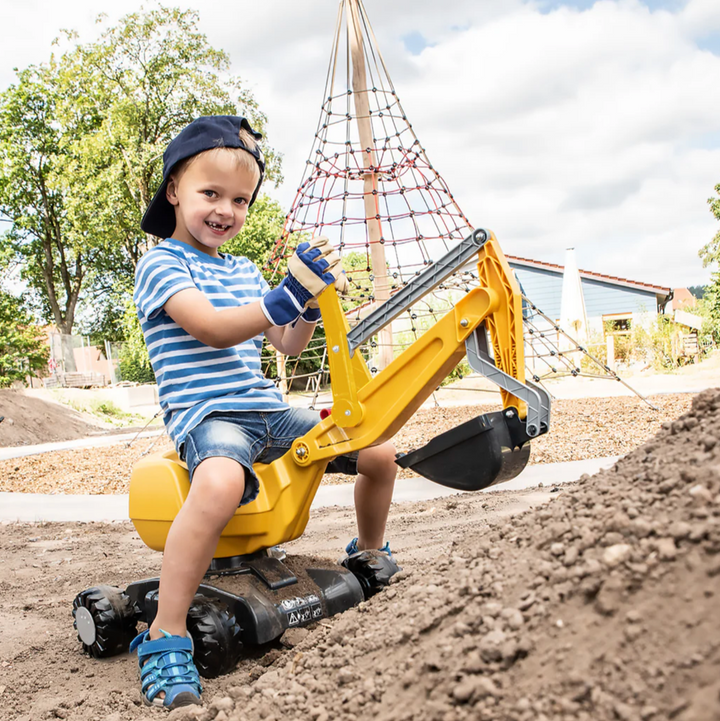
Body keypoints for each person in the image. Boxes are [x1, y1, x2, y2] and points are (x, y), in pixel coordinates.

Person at [129, 116, 398, 710]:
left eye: (240, 200)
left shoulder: (246, 271)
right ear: (174, 189)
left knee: (377, 450)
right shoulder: (161, 264)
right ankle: (165, 633)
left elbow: (289, 344)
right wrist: (280, 295)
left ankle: (370, 555)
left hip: (266, 412)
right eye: (210, 194)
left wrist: (302, 298)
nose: (225, 209)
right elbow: (212, 328)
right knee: (222, 478)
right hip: (208, 415)